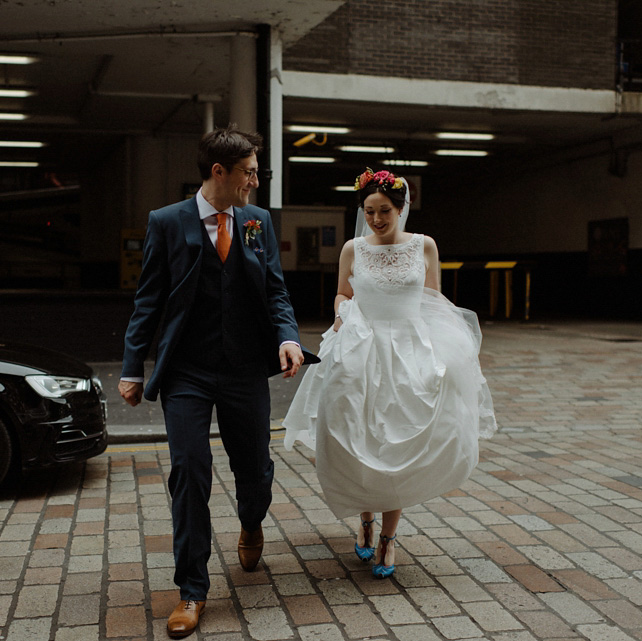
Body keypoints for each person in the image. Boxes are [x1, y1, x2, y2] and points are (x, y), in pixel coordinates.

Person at [118, 126, 305, 638]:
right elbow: (148, 301)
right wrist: (133, 368)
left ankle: (251, 520)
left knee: (255, 469)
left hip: (245, 367)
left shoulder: (257, 221)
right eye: (249, 172)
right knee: (189, 470)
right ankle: (192, 590)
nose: (255, 181)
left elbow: (276, 292)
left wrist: (287, 338)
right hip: (187, 372)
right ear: (219, 172)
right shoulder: (167, 222)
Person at [283, 168, 497, 579]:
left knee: (398, 442)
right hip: (362, 347)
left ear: (401, 208)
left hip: (407, 349)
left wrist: (444, 351)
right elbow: (343, 293)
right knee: (359, 435)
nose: (376, 219)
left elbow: (433, 299)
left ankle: (388, 536)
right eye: (369, 211)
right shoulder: (352, 249)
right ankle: (365, 519)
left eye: (384, 211)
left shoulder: (424, 246)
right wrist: (342, 314)